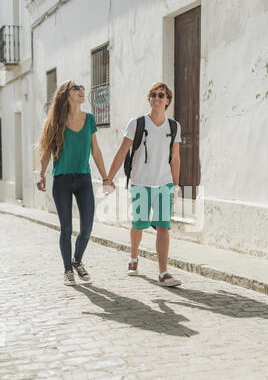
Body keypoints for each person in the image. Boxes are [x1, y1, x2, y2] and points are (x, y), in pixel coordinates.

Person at [37, 80, 114, 286]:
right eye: (76, 89)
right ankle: (67, 270)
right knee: (66, 228)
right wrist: (41, 174)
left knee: (87, 227)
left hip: (84, 179)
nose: (81, 91)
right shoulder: (55, 121)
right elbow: (45, 152)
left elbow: (95, 151)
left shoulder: (89, 119)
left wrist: (106, 177)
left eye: (82, 88)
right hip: (62, 180)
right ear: (65, 95)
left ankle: (77, 260)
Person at [107, 82, 182, 286]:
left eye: (161, 95)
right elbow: (122, 151)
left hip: (164, 183)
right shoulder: (137, 124)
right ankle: (133, 258)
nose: (157, 98)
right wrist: (108, 178)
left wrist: (175, 185)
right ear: (149, 99)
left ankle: (163, 272)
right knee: (138, 223)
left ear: (167, 101)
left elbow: (175, 158)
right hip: (140, 182)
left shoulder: (174, 127)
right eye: (153, 95)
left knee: (163, 226)